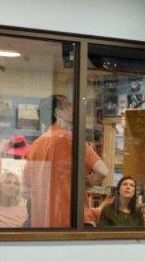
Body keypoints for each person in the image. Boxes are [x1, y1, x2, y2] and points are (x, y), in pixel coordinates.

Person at [23, 95, 110, 228]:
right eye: (68, 105)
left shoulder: (36, 144)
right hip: (69, 218)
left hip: (41, 222)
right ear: (57, 111)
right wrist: (83, 186)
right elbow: (103, 171)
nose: (72, 108)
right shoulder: (70, 139)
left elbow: (27, 189)